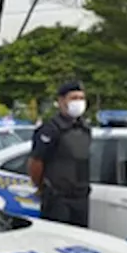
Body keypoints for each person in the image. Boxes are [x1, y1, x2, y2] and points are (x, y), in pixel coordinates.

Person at [27, 81, 92, 227]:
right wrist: (42, 188)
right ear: (62, 101)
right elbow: (36, 162)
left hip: (81, 198)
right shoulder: (51, 129)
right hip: (58, 199)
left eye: (82, 98)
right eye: (74, 98)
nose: (79, 102)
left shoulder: (84, 128)